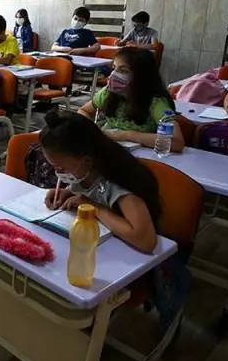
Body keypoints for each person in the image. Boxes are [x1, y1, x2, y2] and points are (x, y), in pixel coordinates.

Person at [39, 110, 160, 253]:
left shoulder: (119, 184)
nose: (58, 173)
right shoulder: (83, 171)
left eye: (61, 168)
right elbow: (88, 192)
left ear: (87, 160)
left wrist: (93, 207)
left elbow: (146, 241)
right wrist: (68, 192)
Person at [78, 48, 184, 152]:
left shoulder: (156, 103)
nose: (114, 75)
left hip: (141, 155)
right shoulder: (108, 93)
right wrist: (93, 131)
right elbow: (84, 110)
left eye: (123, 71)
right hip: (109, 149)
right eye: (114, 68)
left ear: (142, 76)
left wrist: (126, 135)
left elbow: (176, 142)